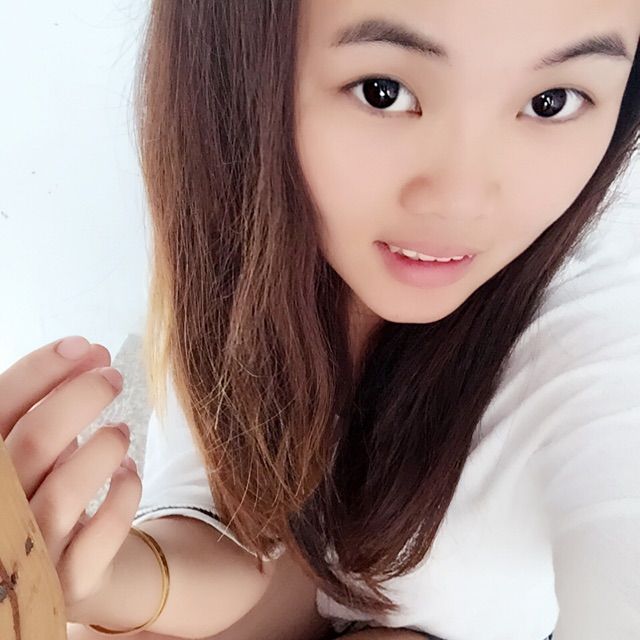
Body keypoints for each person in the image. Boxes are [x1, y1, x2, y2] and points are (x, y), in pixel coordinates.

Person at [3, 0, 640, 639]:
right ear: (241, 74)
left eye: (553, 102)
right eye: (383, 92)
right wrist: (98, 574)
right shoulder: (259, 232)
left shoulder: (604, 310)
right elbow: (238, 527)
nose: (460, 202)